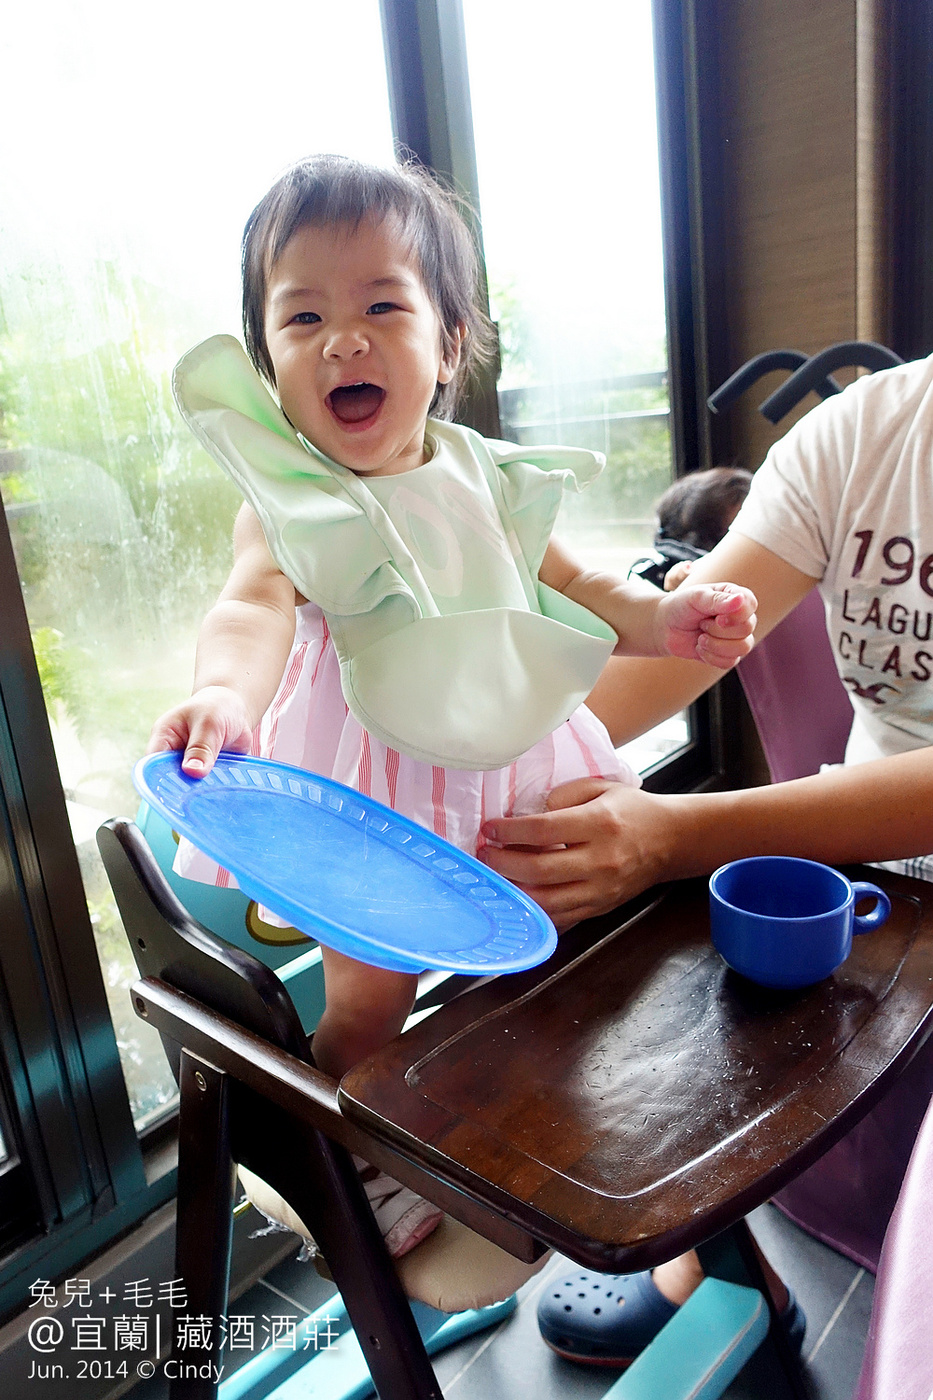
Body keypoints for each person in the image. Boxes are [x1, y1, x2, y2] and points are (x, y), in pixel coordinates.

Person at [146, 154, 757, 1258]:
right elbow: (251, 610)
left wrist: (667, 620)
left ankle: (527, 1105)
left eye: (384, 303)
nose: (346, 337)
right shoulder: (291, 503)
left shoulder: (490, 475)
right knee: (373, 1003)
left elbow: (582, 588)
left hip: (503, 755)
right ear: (268, 363)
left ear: (450, 345)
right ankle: (355, 1150)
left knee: (576, 933)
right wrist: (222, 696)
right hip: (367, 789)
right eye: (304, 316)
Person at [484, 356, 933, 1361]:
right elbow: (690, 646)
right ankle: (731, 1257)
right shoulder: (863, 433)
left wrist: (675, 835)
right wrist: (471, 773)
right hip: (873, 862)